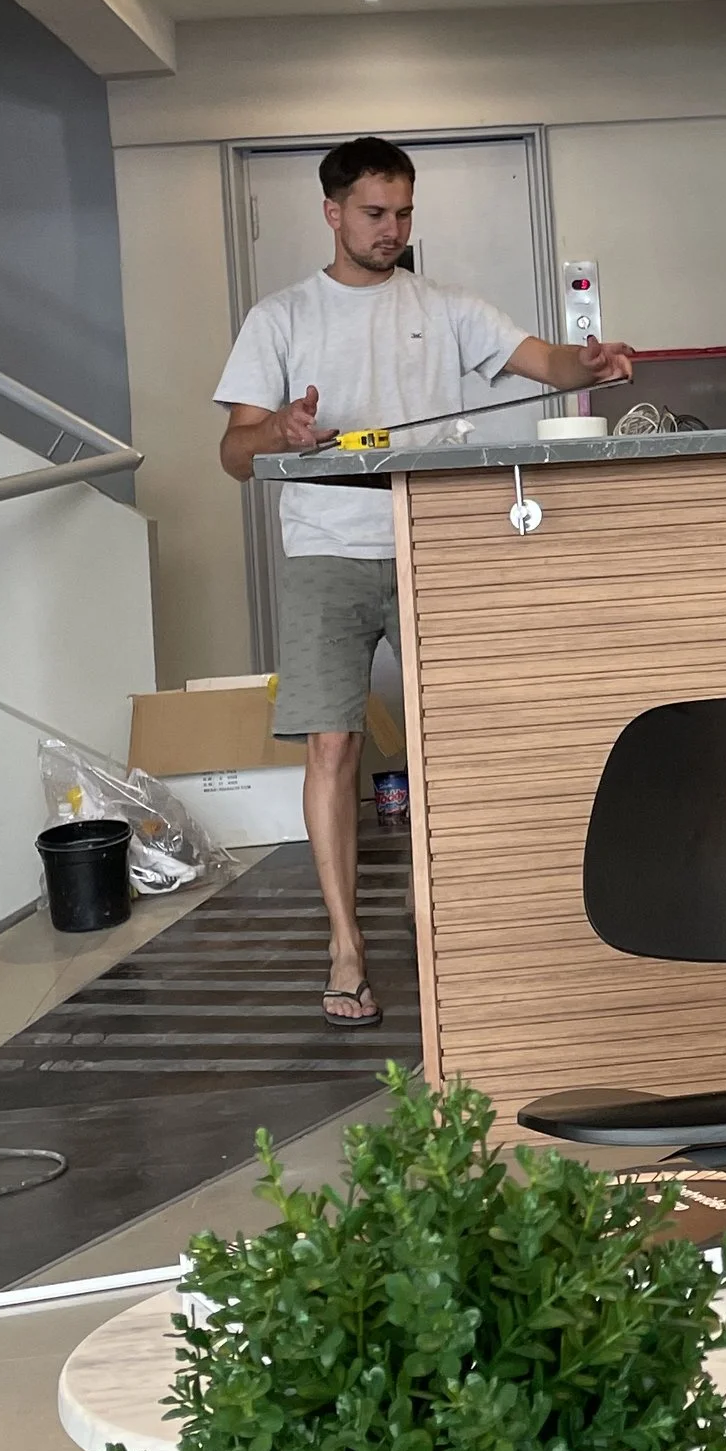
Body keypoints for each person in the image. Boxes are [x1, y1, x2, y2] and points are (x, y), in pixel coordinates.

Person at [215, 135, 635, 1029]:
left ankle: (450, 919)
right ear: (331, 212)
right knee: (331, 746)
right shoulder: (279, 317)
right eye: (375, 213)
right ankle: (346, 945)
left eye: (404, 213)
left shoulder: (444, 306)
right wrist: (281, 435)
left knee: (454, 741)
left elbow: (547, 362)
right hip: (326, 548)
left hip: (434, 543)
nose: (392, 230)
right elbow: (232, 453)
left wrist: (587, 365)